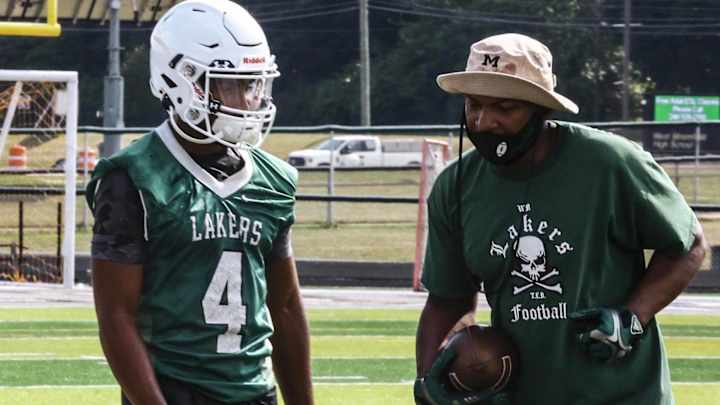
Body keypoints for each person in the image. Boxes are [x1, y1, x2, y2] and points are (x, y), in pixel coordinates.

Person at [414, 33, 707, 404]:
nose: (484, 122)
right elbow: (447, 300)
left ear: (541, 109)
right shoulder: (455, 186)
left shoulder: (609, 163)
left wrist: (632, 317)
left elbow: (688, 245)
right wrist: (427, 381)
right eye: (474, 105)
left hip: (624, 396)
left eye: (504, 107)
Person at [86, 1, 314, 404]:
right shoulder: (134, 176)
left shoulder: (274, 179)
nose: (245, 101)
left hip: (255, 392)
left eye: (251, 85)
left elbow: (285, 307)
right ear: (180, 80)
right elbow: (116, 316)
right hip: (174, 391)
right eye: (228, 85)